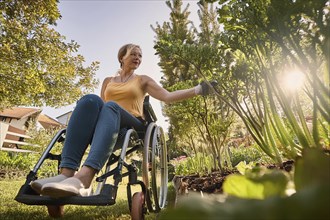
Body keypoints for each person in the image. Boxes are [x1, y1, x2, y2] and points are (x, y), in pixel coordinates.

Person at [30, 43, 213, 198]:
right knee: (89, 100)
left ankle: (85, 179)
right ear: (122, 57)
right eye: (133, 54)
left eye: (140, 55)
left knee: (111, 106)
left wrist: (198, 89)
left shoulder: (142, 80)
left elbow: (167, 96)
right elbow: (99, 107)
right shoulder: (108, 80)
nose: (137, 58)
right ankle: (66, 175)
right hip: (107, 123)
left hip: (130, 124)